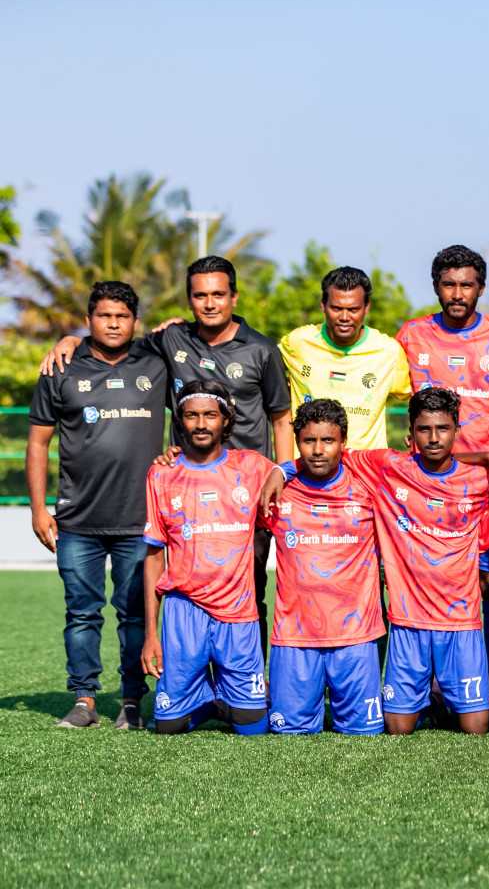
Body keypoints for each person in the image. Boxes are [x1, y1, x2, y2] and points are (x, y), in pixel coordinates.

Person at [42, 256, 293, 649]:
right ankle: (192, 685)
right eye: (200, 295)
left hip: (245, 499)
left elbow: (281, 419)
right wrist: (72, 340)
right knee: (185, 593)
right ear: (189, 299)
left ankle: (244, 691)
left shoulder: (261, 349)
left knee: (249, 595)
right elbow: (113, 341)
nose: (210, 303)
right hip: (186, 493)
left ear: (234, 296)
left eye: (218, 294)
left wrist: (281, 475)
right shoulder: (171, 339)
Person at [270, 387, 489, 735]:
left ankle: (439, 699)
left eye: (443, 429)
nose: (434, 438)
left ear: (457, 430)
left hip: (462, 620)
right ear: (410, 435)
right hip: (407, 621)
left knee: (477, 730)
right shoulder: (388, 467)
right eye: (424, 430)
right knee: (397, 729)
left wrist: (487, 456)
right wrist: (281, 469)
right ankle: (428, 698)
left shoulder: (482, 479)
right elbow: (323, 454)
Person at [29, 281, 166, 729]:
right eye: (104, 315)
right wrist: (37, 508)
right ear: (88, 320)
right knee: (81, 612)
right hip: (77, 519)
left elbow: (184, 333)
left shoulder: (155, 361)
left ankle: (130, 700)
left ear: (135, 322)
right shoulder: (62, 366)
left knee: (134, 615)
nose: (113, 323)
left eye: (122, 316)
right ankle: (84, 699)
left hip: (139, 518)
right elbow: (38, 441)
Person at [397, 245, 489, 664]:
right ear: (436, 286)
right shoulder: (412, 335)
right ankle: (432, 680)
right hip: (426, 480)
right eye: (449, 284)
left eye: (466, 285)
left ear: (481, 288)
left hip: (484, 483)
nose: (457, 293)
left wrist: (483, 437)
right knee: (430, 577)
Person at [141, 381, 277, 735]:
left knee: (253, 727)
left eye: (209, 415)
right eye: (191, 415)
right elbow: (154, 556)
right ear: (181, 421)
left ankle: (225, 701)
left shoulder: (253, 467)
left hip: (239, 612)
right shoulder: (162, 473)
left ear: (226, 420)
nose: (200, 424)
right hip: (183, 609)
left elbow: (296, 480)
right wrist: (150, 635)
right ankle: (204, 700)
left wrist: (285, 470)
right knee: (168, 727)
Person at [261, 398, 386, 735]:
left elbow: (425, 460)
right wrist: (280, 468)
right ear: (297, 441)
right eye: (308, 441)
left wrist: (488, 456)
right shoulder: (276, 491)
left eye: (328, 440)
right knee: (289, 734)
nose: (318, 450)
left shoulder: (369, 485)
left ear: (343, 442)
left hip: (356, 637)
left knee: (365, 736)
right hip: (294, 638)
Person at [277, 265, 411, 450]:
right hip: (308, 470)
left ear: (367, 307)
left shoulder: (389, 352)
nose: (345, 317)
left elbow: (417, 395)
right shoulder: (297, 342)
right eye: (337, 308)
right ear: (323, 305)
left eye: (354, 309)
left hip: (366, 471)